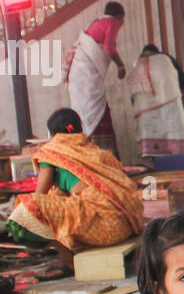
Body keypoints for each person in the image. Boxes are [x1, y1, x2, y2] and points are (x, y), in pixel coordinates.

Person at [5, 107, 143, 266]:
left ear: (52, 134)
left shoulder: (51, 151)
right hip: (122, 227)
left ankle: (65, 256)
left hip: (100, 228)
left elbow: (39, 195)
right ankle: (70, 251)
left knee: (25, 208)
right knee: (57, 194)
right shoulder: (95, 151)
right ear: (79, 128)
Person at [64, 0, 127, 155]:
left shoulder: (97, 23)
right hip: (86, 77)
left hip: (79, 77)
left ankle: (88, 155)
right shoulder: (112, 22)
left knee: (86, 114)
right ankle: (104, 160)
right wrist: (121, 65)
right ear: (120, 16)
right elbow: (109, 48)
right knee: (96, 112)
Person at [127, 44, 184, 158]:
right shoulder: (166, 59)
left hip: (146, 112)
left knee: (154, 148)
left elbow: (133, 97)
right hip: (171, 106)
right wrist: (168, 93)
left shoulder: (137, 65)